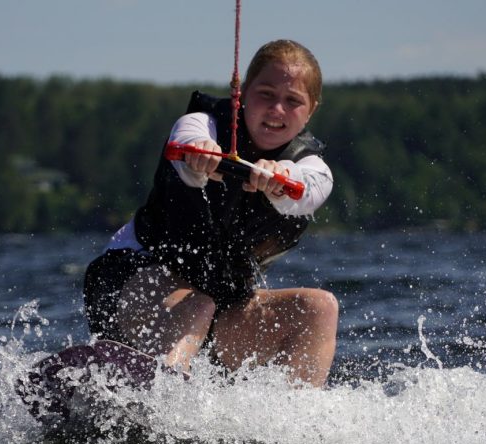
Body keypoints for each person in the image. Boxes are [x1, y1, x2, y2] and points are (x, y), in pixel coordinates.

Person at [83, 39, 337, 387]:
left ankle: (295, 427)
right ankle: (165, 399)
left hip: (220, 309)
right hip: (131, 285)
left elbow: (307, 192)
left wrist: (279, 179)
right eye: (265, 94)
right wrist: (200, 156)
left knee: (319, 308)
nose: (277, 109)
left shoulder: (313, 168)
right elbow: (186, 143)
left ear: (310, 111)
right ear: (243, 94)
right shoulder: (202, 124)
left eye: (292, 101)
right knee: (196, 306)